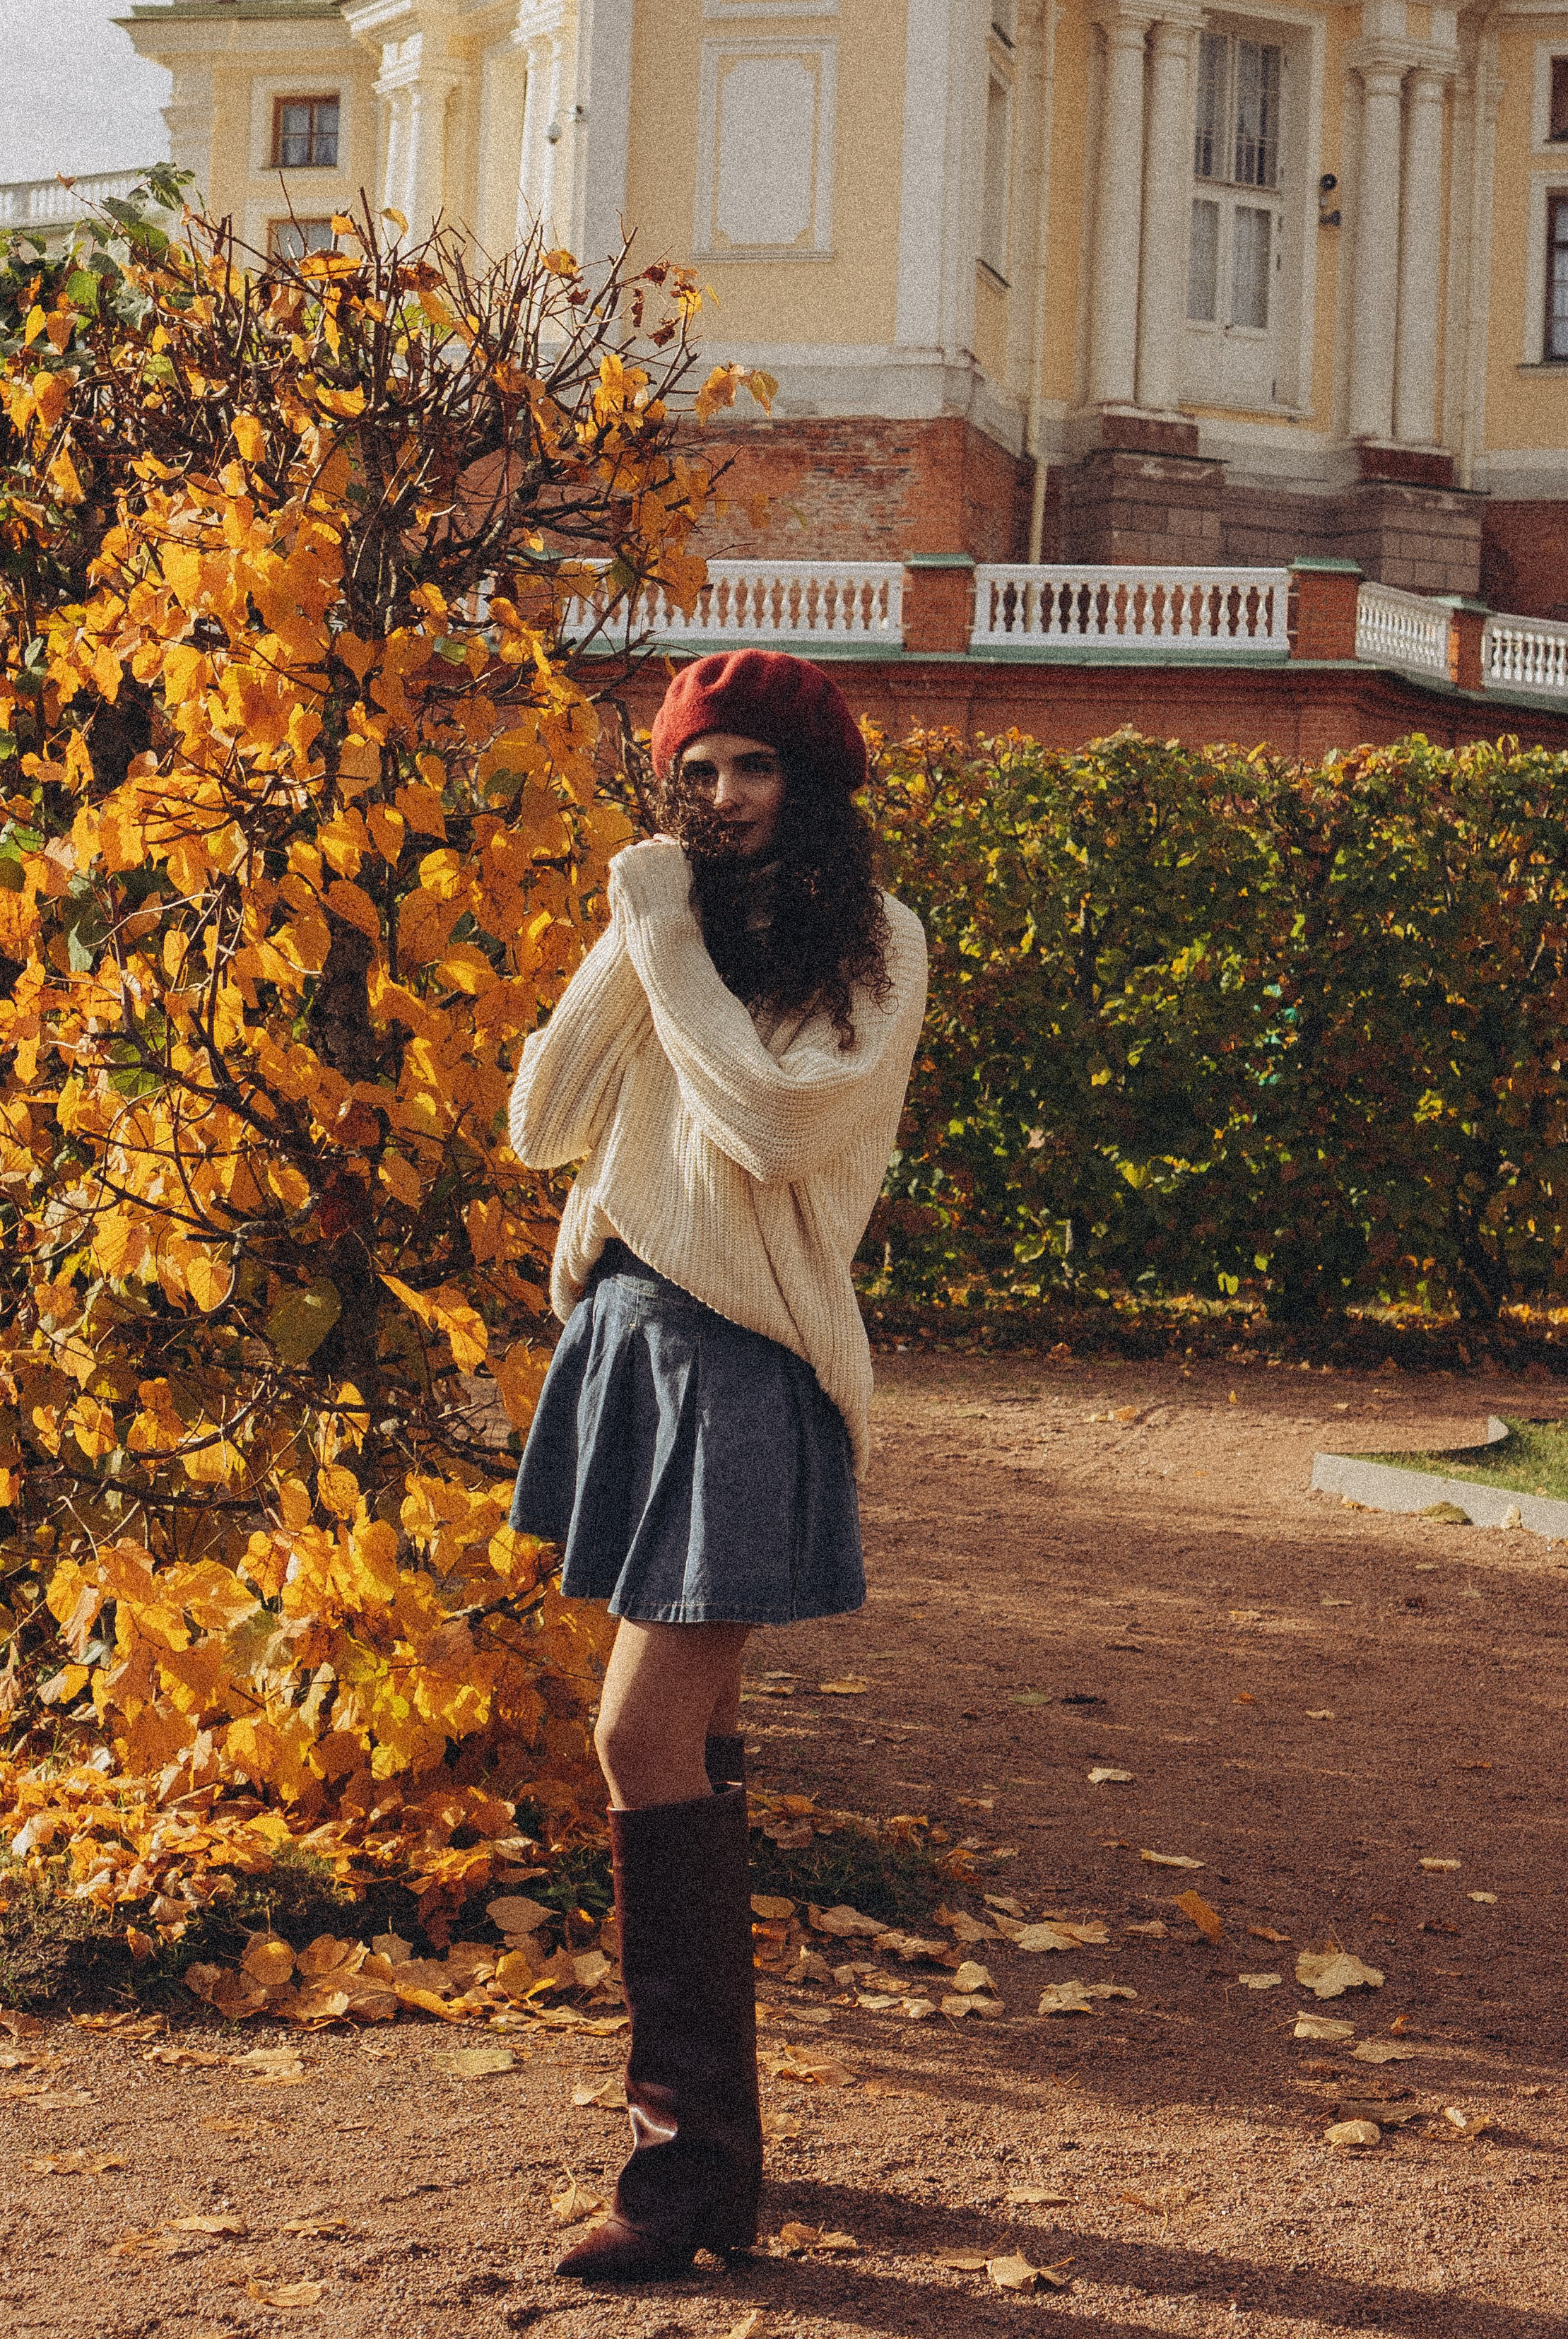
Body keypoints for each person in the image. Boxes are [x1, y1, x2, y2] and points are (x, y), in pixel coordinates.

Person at [506, 647, 928, 2286]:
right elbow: (543, 1117)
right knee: (698, 1740)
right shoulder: (670, 931)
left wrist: (662, 934)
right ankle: (722, 2153)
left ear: (811, 788)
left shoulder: (875, 949)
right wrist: (636, 934)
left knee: (640, 1736)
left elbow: (765, 1125)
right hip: (624, 1337)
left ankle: (687, 2170)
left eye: (755, 769)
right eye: (699, 772)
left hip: (748, 1366)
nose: (725, 799)